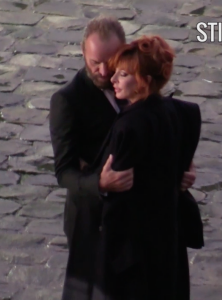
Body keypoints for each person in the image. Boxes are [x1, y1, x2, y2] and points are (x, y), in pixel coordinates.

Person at [49, 16, 198, 300]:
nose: (104, 71)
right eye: (95, 62)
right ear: (83, 53)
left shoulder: (138, 83)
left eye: (111, 61)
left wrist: (181, 166)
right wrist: (101, 182)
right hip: (95, 223)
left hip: (145, 220)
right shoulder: (67, 101)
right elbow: (64, 171)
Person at [84, 35, 202, 300]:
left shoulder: (129, 126)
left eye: (123, 74)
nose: (112, 78)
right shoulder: (177, 112)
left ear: (144, 81)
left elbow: (118, 204)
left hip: (134, 255)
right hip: (168, 241)